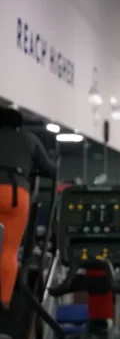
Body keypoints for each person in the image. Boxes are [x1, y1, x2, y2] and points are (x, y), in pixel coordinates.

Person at [0, 107, 56, 310]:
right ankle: (3, 301)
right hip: (16, 193)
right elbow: (51, 169)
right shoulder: (28, 139)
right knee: (8, 250)